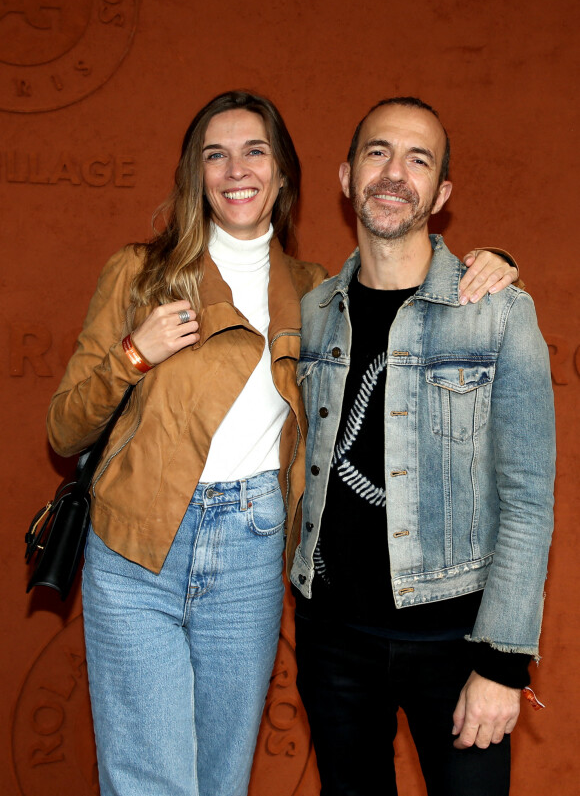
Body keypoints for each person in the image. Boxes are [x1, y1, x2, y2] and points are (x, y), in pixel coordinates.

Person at [46, 90, 517, 796]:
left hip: (252, 550)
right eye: (215, 153)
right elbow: (63, 427)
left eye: (254, 150)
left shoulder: (314, 292)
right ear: (195, 174)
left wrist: (494, 263)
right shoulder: (137, 274)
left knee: (220, 779)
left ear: (285, 174)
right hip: (138, 547)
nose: (236, 168)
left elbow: (405, 293)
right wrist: (131, 356)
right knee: (152, 780)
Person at [291, 97, 555, 796]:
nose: (394, 173)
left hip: (456, 647)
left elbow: (529, 498)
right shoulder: (313, 312)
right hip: (333, 643)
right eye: (378, 152)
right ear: (346, 176)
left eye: (419, 159)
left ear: (440, 193)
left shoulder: (497, 311)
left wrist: (502, 662)